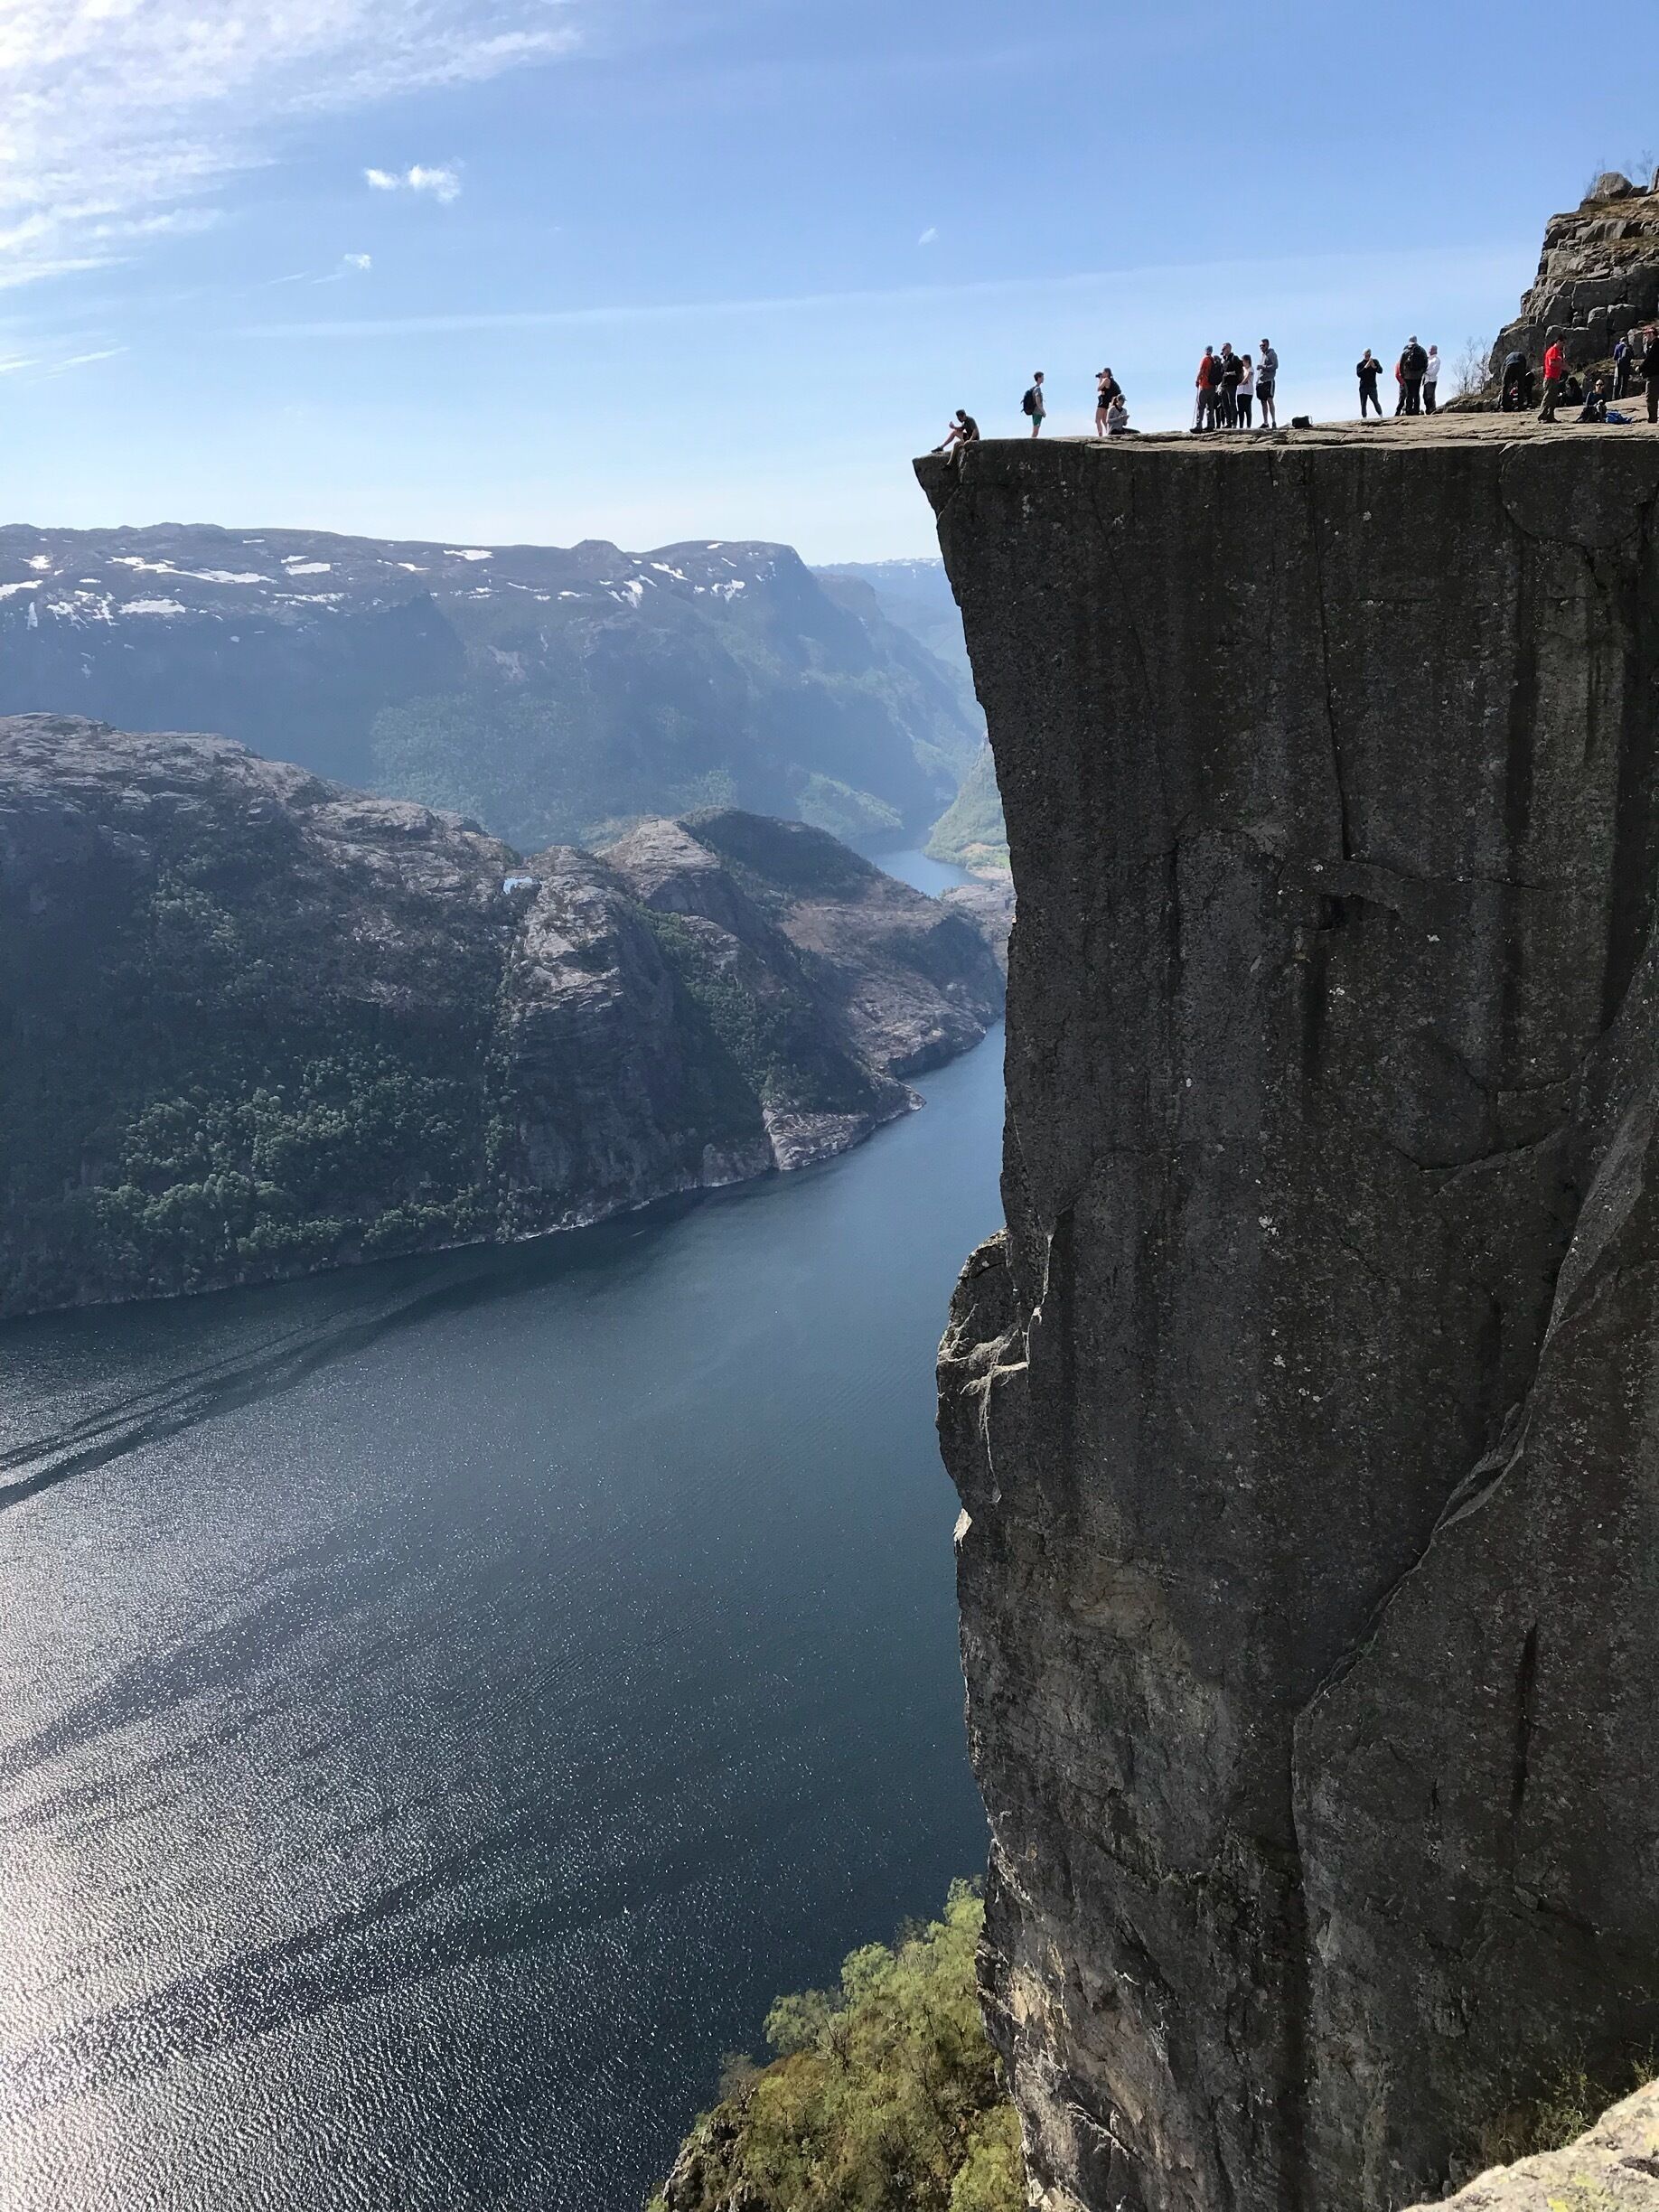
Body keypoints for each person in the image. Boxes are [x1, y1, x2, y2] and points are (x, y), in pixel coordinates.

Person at [1539, 332, 1567, 422]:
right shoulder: (1553, 350)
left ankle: (1550, 416)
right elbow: (1552, 363)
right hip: (1550, 378)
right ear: (1558, 341)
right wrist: (1561, 364)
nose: (1563, 345)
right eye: (1563, 343)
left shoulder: (1558, 352)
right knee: (1548, 397)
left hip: (1555, 378)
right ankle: (1542, 416)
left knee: (1553, 398)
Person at [1399, 335, 1428, 415]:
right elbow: (1426, 363)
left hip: (1408, 376)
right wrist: (1421, 372)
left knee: (1409, 394)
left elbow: (1401, 364)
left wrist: (1402, 374)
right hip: (1418, 376)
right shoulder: (1422, 351)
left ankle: (1408, 410)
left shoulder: (1405, 351)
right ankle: (1416, 410)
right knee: (1416, 393)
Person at [1195, 346, 1220, 431]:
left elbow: (1201, 371)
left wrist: (1197, 380)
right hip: (1212, 386)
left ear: (1205, 351)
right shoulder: (1213, 360)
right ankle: (1210, 424)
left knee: (1201, 406)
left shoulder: (1205, 359)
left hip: (1204, 385)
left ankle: (1199, 425)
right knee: (1210, 407)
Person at [1216, 342, 1242, 427]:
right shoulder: (1224, 361)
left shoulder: (1234, 358)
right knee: (1225, 404)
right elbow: (1222, 374)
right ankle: (1228, 422)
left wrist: (1229, 373)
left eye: (1224, 349)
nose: (1222, 350)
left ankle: (1234, 422)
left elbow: (1238, 371)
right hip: (1224, 385)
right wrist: (1220, 386)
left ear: (1229, 349)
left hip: (1231, 384)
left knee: (1232, 403)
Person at [1257, 338, 1279, 429]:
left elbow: (1275, 365)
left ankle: (1273, 421)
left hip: (1269, 380)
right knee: (1263, 402)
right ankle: (1265, 422)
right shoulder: (1262, 355)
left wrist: (1263, 366)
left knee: (1270, 400)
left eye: (1263, 345)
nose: (1262, 347)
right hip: (1261, 382)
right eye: (1260, 346)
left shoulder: (1272, 354)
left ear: (1268, 345)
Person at [1356, 349, 1384, 418]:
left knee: (1375, 401)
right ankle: (1364, 418)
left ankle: (1381, 416)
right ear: (1363, 355)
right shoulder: (1360, 364)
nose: (1367, 356)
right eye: (1366, 355)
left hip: (1372, 386)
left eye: (1369, 355)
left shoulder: (1375, 361)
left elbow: (1380, 371)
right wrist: (1366, 367)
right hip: (1363, 387)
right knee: (1363, 403)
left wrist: (1374, 366)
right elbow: (1359, 374)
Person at [1094, 367, 1121, 436]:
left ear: (1107, 373)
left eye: (1103, 372)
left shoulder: (1106, 380)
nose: (1102, 373)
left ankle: (1100, 435)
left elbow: (1099, 388)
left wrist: (1100, 380)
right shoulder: (1111, 381)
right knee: (1104, 420)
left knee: (1097, 420)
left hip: (1103, 402)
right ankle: (1109, 433)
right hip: (1107, 402)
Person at [1642, 325, 1659, 424]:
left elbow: (1649, 359)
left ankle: (1652, 419)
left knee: (1651, 397)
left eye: (1647, 334)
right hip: (1654, 374)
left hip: (1654, 375)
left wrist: (1641, 368)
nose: (1645, 337)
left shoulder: (1655, 344)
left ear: (1652, 334)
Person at [1022, 371, 1046, 436]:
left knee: (1036, 430)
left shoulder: (1034, 388)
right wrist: (1043, 412)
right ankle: (1032, 441)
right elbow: (1038, 402)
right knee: (1036, 431)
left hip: (1035, 412)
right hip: (1037, 412)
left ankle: (1032, 440)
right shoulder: (1037, 389)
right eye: (1042, 377)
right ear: (1039, 378)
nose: (1043, 379)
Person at [1236, 352, 1255, 428]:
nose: (1242, 363)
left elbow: (1247, 377)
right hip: (1240, 391)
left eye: (1243, 361)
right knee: (1240, 410)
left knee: (1247, 409)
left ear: (1247, 361)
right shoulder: (1242, 369)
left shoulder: (1251, 369)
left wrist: (1241, 383)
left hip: (1248, 392)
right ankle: (1241, 426)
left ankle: (1248, 426)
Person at [1613, 333, 1633, 399]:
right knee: (1625, 381)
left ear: (1620, 341)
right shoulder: (1629, 347)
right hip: (1627, 365)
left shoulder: (1618, 346)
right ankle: (1623, 395)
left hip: (1619, 365)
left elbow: (1615, 357)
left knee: (1618, 381)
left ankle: (1615, 396)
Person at [1422, 344, 1440, 414]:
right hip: (1425, 380)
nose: (1429, 350)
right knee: (1425, 396)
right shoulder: (1427, 359)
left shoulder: (1436, 360)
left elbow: (1434, 371)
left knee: (1430, 396)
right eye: (1429, 349)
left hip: (1431, 380)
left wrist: (1425, 371)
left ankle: (1432, 410)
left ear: (1435, 350)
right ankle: (1428, 410)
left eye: (1431, 349)